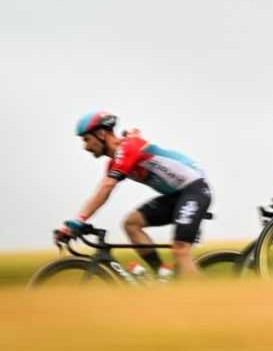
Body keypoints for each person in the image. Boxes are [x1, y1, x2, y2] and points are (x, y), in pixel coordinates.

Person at [55, 111, 212, 278]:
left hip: (194, 189)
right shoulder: (116, 161)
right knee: (131, 223)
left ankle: (207, 298)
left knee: (180, 250)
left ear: (101, 133)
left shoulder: (128, 147)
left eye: (87, 139)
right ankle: (163, 275)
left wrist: (79, 220)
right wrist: (76, 222)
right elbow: (103, 192)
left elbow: (108, 186)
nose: (85, 147)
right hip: (176, 196)